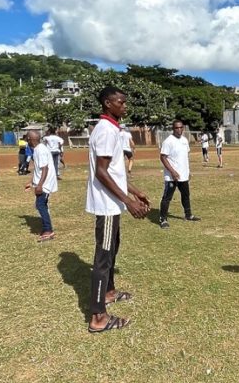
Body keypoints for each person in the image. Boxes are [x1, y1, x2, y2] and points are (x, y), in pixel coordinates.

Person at [86, 86, 151, 333]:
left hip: (113, 203)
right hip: (107, 204)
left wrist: (134, 191)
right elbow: (101, 173)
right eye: (120, 102)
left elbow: (114, 171)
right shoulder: (105, 131)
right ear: (107, 103)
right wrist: (128, 201)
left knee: (112, 249)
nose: (125, 106)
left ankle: (110, 292)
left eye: (125, 102)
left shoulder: (113, 129)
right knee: (102, 259)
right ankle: (98, 317)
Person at [159, 120, 201, 229]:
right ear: (173, 129)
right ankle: (163, 219)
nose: (179, 130)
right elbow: (163, 157)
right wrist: (172, 172)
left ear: (183, 128)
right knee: (167, 198)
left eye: (181, 127)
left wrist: (188, 171)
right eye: (176, 128)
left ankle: (188, 215)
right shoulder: (168, 141)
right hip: (171, 177)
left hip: (183, 175)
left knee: (186, 195)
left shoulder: (184, 140)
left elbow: (185, 157)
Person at [25, 130, 58, 242]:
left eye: (27, 138)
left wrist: (40, 185)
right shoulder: (38, 149)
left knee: (40, 205)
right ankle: (46, 228)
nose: (27, 140)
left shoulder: (40, 150)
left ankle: (48, 230)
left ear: (30, 139)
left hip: (45, 184)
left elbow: (45, 168)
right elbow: (38, 169)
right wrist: (32, 182)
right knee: (41, 205)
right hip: (42, 183)